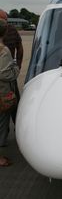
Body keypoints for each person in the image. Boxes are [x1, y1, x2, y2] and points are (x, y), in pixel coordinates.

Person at [0, 19, 19, 166]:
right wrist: (16, 68)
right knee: (1, 124)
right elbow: (5, 74)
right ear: (5, 32)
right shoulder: (4, 50)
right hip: (2, 93)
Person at [0, 10, 23, 123]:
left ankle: (16, 123)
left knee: (14, 103)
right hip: (7, 75)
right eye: (3, 20)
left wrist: (17, 65)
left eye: (6, 20)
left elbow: (20, 47)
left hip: (9, 77)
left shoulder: (12, 30)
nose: (6, 23)